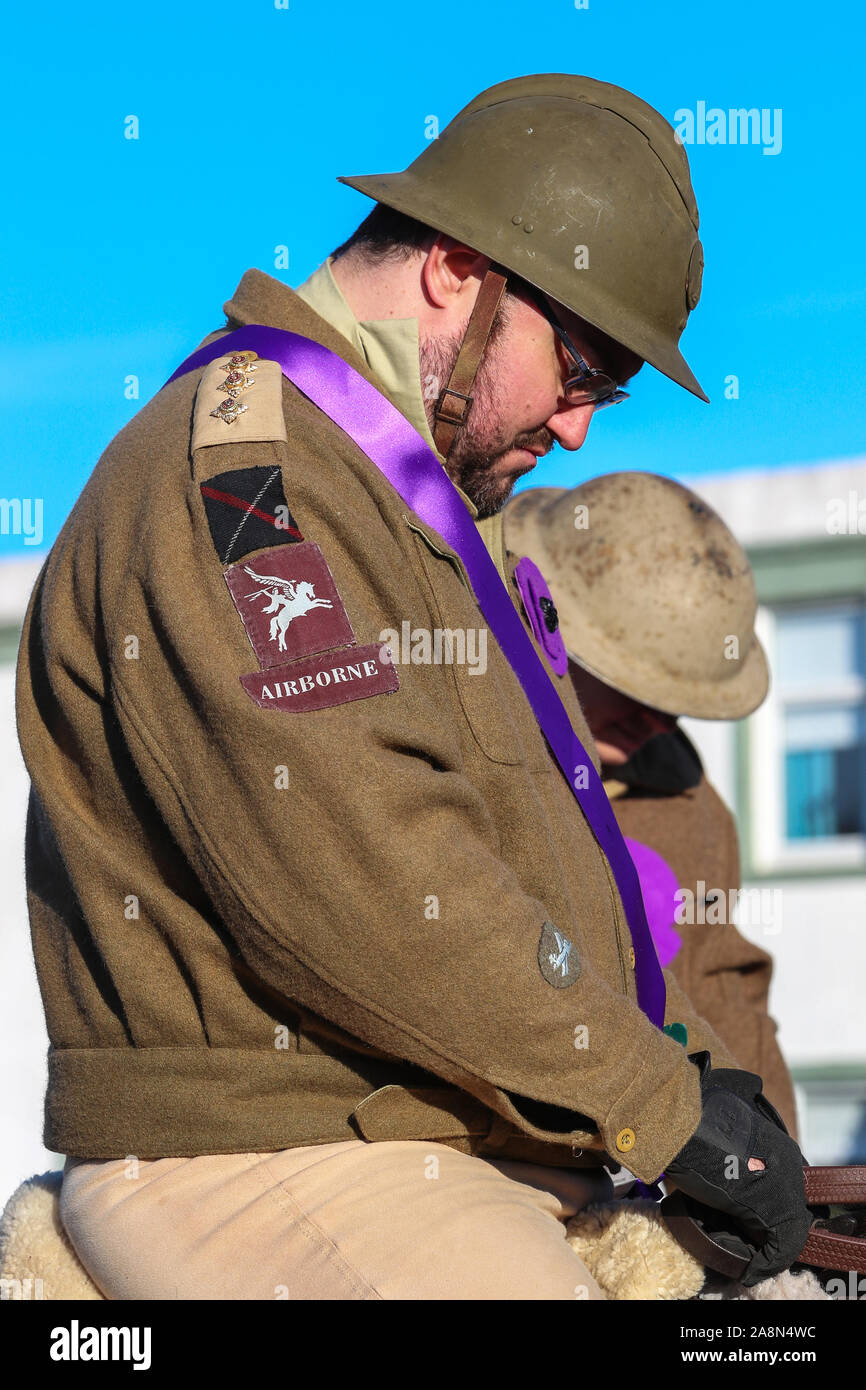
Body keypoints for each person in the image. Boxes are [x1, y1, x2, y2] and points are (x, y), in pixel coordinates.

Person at [16, 74, 810, 1300]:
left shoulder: (425, 511)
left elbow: (520, 875)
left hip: (460, 1130)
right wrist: (663, 1106)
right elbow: (364, 877)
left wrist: (698, 1072)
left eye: (612, 388)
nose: (581, 427)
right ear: (455, 268)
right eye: (583, 364)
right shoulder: (246, 483)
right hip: (275, 1144)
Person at [503, 472, 799, 1138]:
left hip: (659, 1165)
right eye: (630, 685)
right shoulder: (466, 756)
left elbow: (726, 995)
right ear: (544, 625)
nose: (657, 724)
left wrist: (782, 1169)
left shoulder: (695, 814)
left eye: (676, 702)